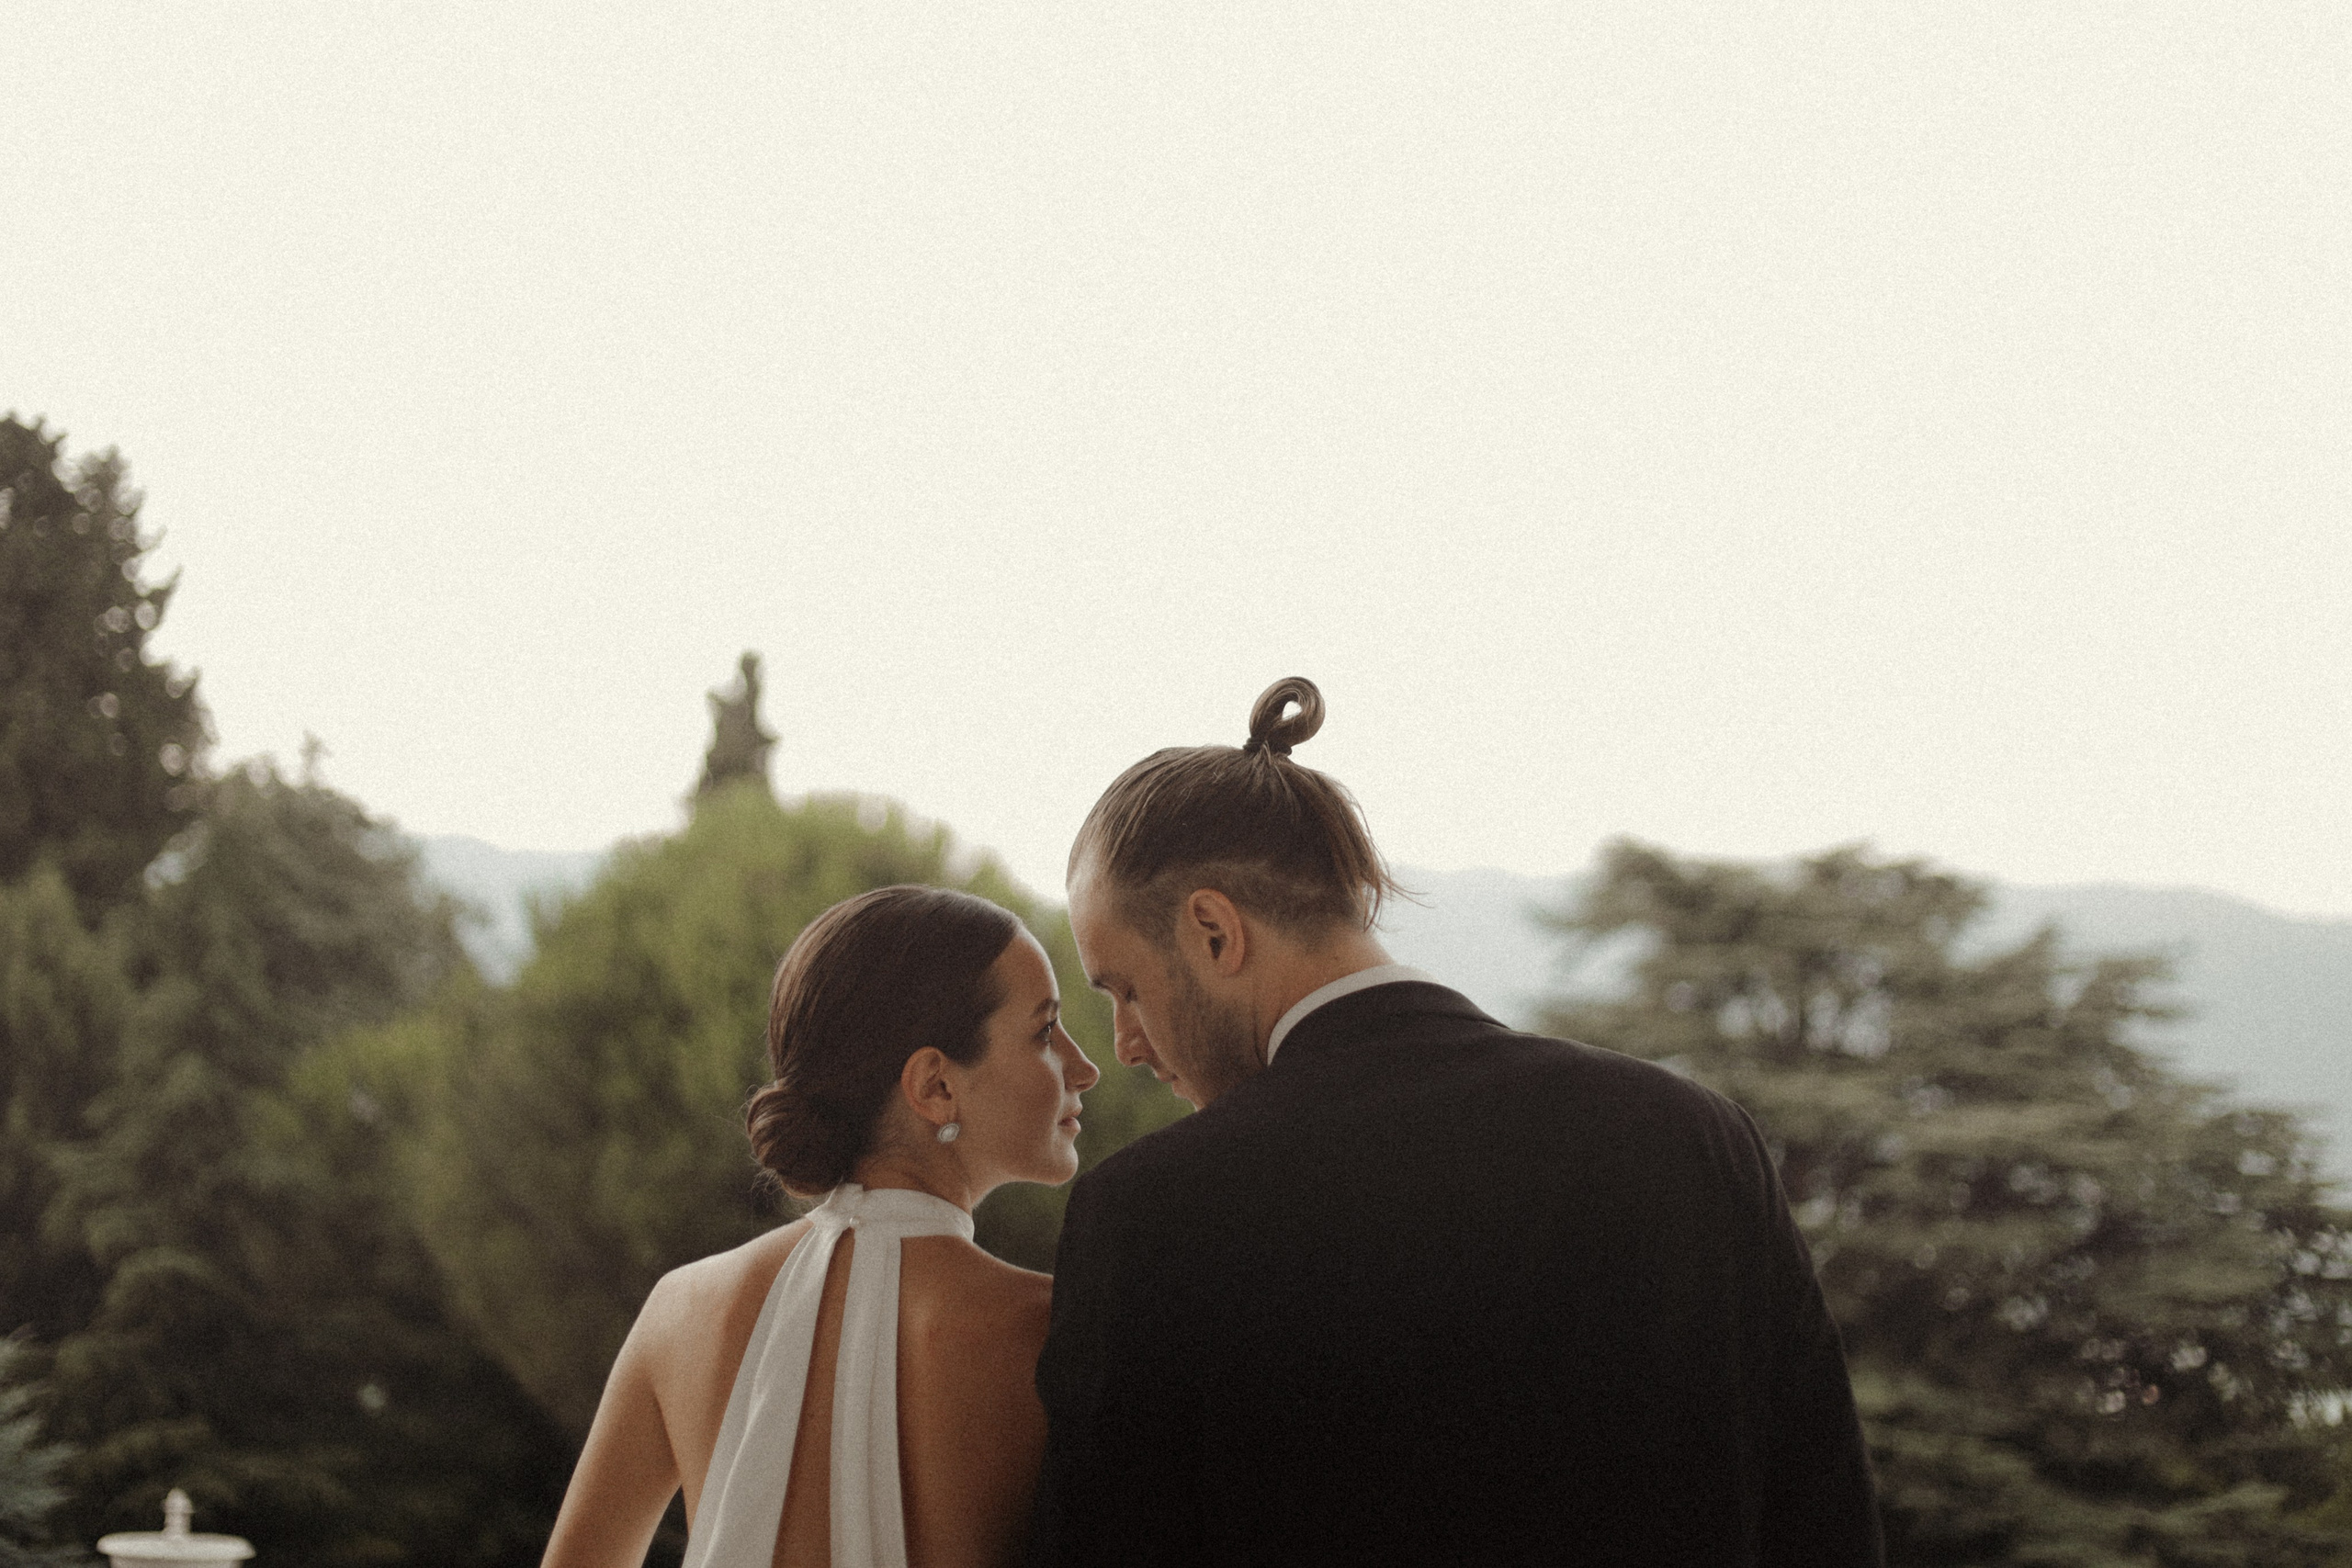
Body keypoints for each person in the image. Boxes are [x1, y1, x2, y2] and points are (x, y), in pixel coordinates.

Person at [1028, 677, 1883, 1567]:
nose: (1126, 1042)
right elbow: (1824, 1529)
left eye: (1124, 988)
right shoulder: (1700, 1139)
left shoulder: (1152, 1214)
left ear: (1212, 930)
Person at [542, 885, 1100, 1568]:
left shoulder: (680, 1309)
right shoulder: (1054, 1329)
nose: (1084, 1066)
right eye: (1045, 1031)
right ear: (935, 1086)